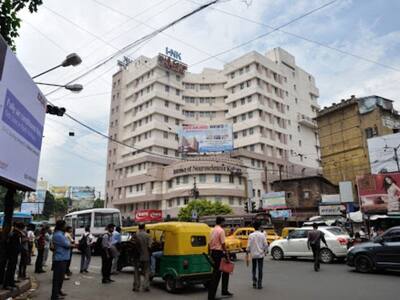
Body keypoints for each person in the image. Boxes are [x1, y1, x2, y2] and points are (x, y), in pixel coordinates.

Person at [208, 216, 233, 300]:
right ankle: (211, 296)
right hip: (219, 253)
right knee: (217, 275)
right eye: (224, 222)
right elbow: (223, 244)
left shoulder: (211, 230)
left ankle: (224, 290)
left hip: (213, 253)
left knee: (225, 271)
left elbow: (209, 244)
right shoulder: (221, 230)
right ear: (221, 222)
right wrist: (227, 255)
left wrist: (210, 253)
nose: (225, 223)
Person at [51, 220, 72, 300]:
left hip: (63, 258)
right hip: (59, 259)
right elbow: (67, 244)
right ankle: (54, 296)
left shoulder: (61, 234)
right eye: (65, 225)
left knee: (60, 278)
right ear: (61, 226)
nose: (65, 227)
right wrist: (72, 244)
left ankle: (58, 292)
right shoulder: (58, 235)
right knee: (57, 279)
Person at [246, 221, 268, 289]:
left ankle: (254, 281)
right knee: (260, 269)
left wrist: (247, 252)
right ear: (259, 227)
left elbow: (248, 246)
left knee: (254, 268)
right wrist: (265, 251)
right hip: (260, 255)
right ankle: (259, 283)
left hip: (253, 255)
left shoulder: (251, 235)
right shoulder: (262, 235)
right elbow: (266, 245)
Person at [3, 222, 24, 290]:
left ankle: (11, 283)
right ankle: (7, 284)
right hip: (12, 254)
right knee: (10, 269)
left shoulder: (16, 233)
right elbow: (12, 245)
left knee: (13, 269)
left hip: (14, 254)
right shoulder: (14, 234)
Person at [135, 223, 152, 292]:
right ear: (144, 227)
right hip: (146, 256)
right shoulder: (148, 236)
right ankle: (146, 286)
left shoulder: (135, 235)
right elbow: (150, 247)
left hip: (137, 257)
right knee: (146, 271)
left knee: (137, 272)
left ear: (138, 228)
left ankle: (136, 287)